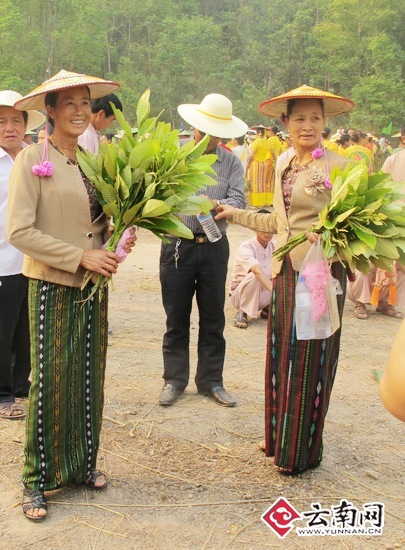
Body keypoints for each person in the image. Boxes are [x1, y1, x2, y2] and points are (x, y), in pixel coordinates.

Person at [7, 70, 135, 521]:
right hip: (50, 284)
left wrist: (114, 239)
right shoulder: (30, 160)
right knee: (49, 383)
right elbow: (20, 231)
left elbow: (95, 224)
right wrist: (80, 256)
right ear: (51, 111)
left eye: (86, 103)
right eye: (70, 105)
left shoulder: (91, 161)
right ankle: (36, 481)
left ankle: (81, 465)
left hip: (93, 286)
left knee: (88, 376)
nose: (80, 111)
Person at [216, 84, 354, 474]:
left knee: (312, 357)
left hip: (319, 274)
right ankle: (278, 437)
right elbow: (278, 223)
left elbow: (356, 227)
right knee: (281, 354)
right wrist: (232, 212)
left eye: (315, 118)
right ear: (284, 123)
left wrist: (327, 238)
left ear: (325, 122)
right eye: (299, 119)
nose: (307, 126)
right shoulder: (283, 164)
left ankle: (302, 451)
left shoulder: (340, 167)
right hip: (285, 271)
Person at [159, 93, 247, 407]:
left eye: (219, 133)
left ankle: (211, 382)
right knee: (176, 318)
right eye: (208, 130)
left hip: (213, 247)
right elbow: (156, 193)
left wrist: (221, 206)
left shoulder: (231, 161)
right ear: (196, 126)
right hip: (177, 247)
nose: (213, 137)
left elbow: (239, 200)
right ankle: (174, 381)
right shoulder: (174, 156)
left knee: (213, 318)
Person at [0, 90, 45, 420]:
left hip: (31, 260)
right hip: (2, 261)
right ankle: (2, 395)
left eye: (16, 120)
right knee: (2, 330)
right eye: (1, 122)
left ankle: (20, 384)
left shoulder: (34, 160)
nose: (9, 127)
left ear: (27, 124)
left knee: (25, 329)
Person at [229, 210, 274, 329]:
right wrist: (275, 292)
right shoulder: (246, 247)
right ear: (255, 228)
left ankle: (267, 308)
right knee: (255, 276)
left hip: (264, 293)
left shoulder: (275, 245)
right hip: (241, 294)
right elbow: (257, 271)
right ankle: (242, 311)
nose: (267, 232)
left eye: (270, 228)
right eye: (263, 228)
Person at [246, 126, 272, 206]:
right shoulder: (266, 142)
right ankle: (262, 201)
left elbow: (251, 155)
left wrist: (247, 164)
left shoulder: (256, 142)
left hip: (256, 164)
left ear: (257, 133)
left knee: (255, 183)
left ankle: (256, 202)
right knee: (262, 183)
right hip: (263, 163)